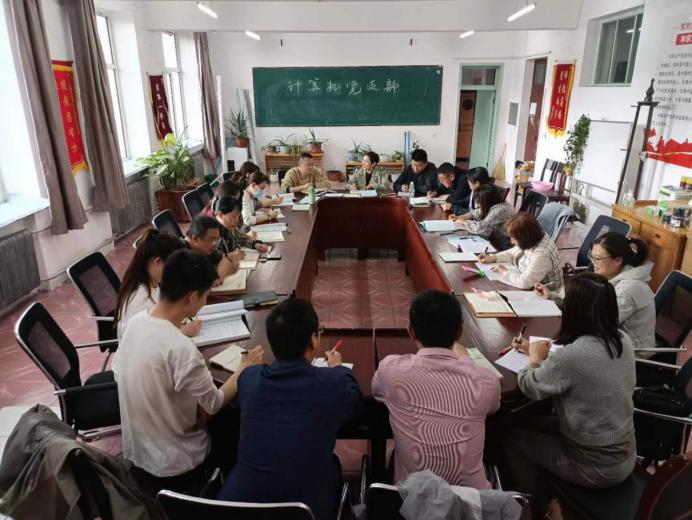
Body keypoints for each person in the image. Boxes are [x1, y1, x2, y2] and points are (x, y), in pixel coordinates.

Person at [117, 249, 264, 494]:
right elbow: (213, 404)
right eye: (206, 295)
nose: (205, 300)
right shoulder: (180, 348)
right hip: (177, 463)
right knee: (235, 415)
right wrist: (243, 368)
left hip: (138, 454)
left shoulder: (136, 322)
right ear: (193, 297)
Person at [218, 298, 363, 520]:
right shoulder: (332, 383)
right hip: (307, 510)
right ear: (313, 340)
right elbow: (355, 402)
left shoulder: (249, 379)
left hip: (239, 509)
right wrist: (338, 368)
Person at [505, 273, 636, 497]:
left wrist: (534, 358)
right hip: (623, 451)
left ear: (573, 311)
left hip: (596, 466)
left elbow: (529, 385)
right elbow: (582, 367)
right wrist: (532, 350)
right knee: (529, 421)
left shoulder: (572, 356)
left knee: (514, 441)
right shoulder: (622, 339)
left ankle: (529, 505)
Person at [372, 290, 500, 488]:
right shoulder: (486, 381)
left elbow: (376, 392)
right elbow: (494, 407)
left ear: (410, 331)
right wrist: (465, 359)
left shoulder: (391, 370)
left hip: (411, 498)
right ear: (459, 333)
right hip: (471, 501)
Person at [535, 232, 655, 352]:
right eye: (592, 257)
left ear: (618, 261)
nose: (593, 263)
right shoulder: (610, 277)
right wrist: (553, 297)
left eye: (598, 259)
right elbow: (586, 308)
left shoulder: (629, 291)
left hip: (630, 353)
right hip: (608, 341)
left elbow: (595, 324)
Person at [114, 229, 192, 339]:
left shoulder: (152, 283)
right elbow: (147, 343)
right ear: (158, 262)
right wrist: (182, 332)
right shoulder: (141, 300)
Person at [478, 212, 564, 291]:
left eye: (514, 238)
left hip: (545, 296)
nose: (512, 242)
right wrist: (494, 257)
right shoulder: (533, 237)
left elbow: (525, 282)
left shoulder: (541, 254)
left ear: (524, 237)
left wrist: (504, 271)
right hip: (529, 287)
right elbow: (513, 253)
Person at [454, 184, 512, 251]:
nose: (477, 206)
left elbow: (481, 228)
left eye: (479, 202)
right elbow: (476, 212)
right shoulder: (493, 203)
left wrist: (463, 222)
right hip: (490, 239)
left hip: (499, 247)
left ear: (486, 201)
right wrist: (460, 217)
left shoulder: (501, 211)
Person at [185, 215, 241, 280]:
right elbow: (196, 283)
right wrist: (221, 274)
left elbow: (222, 259)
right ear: (196, 239)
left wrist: (228, 261)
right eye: (212, 240)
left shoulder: (204, 249)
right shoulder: (179, 255)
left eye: (217, 240)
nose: (215, 245)